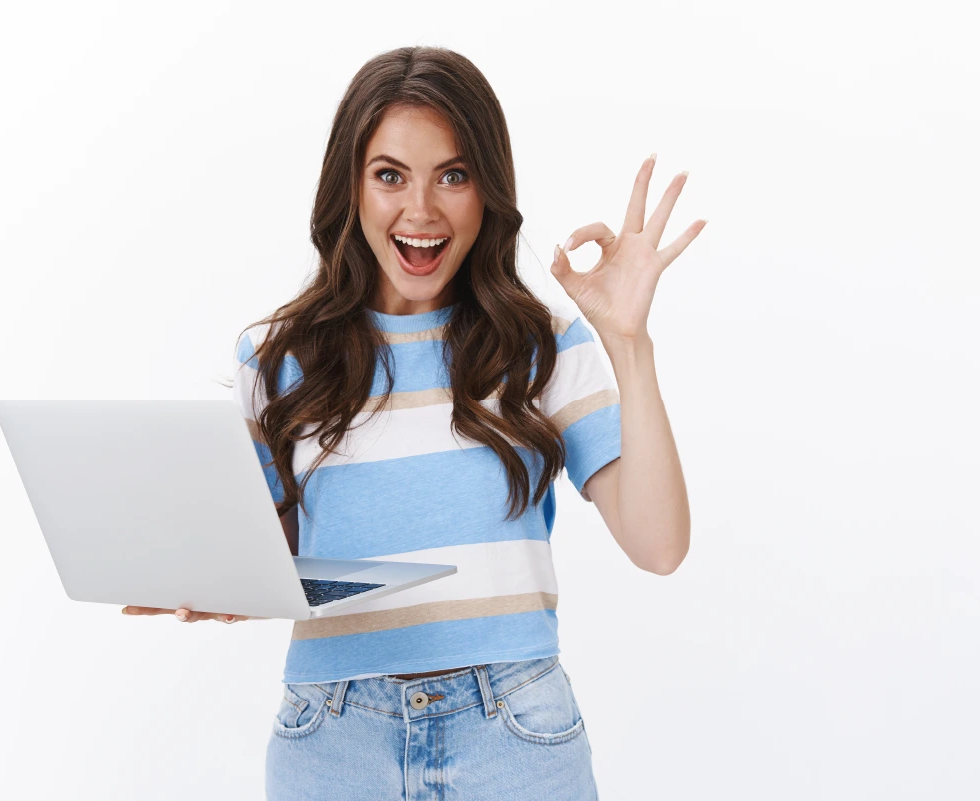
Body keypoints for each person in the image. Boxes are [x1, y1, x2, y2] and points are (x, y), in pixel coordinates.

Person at [123, 45, 701, 799]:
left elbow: (659, 545)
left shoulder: (540, 348)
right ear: (351, 187)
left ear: (486, 191)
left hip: (514, 734)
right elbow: (281, 559)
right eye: (389, 174)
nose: (420, 211)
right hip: (334, 738)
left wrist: (628, 343)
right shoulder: (277, 359)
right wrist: (220, 581)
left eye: (452, 176)